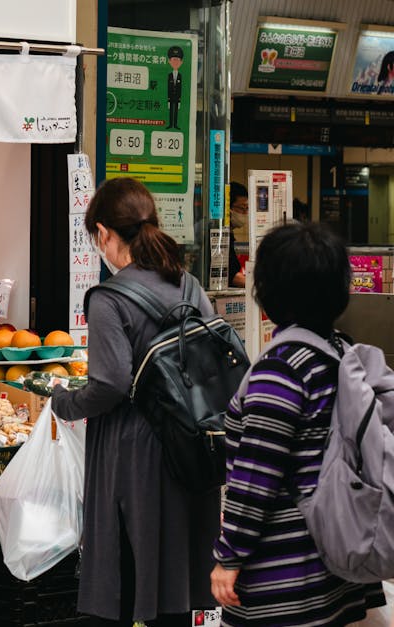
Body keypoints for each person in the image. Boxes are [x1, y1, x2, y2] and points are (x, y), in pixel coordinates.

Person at [52, 177, 219, 627]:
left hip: (133, 454)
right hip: (188, 449)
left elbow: (108, 384)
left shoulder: (109, 298)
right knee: (173, 585)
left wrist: (64, 402)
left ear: (104, 234)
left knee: (120, 579)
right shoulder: (189, 288)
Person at [211, 222, 387, 626]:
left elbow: (255, 478)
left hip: (284, 575)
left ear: (268, 293)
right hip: (336, 556)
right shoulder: (341, 352)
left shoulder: (280, 371)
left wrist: (229, 556)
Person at [228, 182, 247, 288]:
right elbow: (230, 276)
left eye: (247, 208)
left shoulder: (229, 233)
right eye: (241, 208)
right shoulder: (217, 233)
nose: (245, 213)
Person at [166, 46, 184, 130]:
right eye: (173, 60)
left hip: (177, 98)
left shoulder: (180, 76)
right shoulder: (169, 75)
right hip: (171, 97)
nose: (176, 62)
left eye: (178, 60)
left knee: (176, 111)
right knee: (171, 111)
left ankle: (175, 124)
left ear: (181, 62)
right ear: (169, 61)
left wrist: (180, 99)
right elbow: (168, 88)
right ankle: (170, 124)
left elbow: (180, 88)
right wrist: (168, 99)